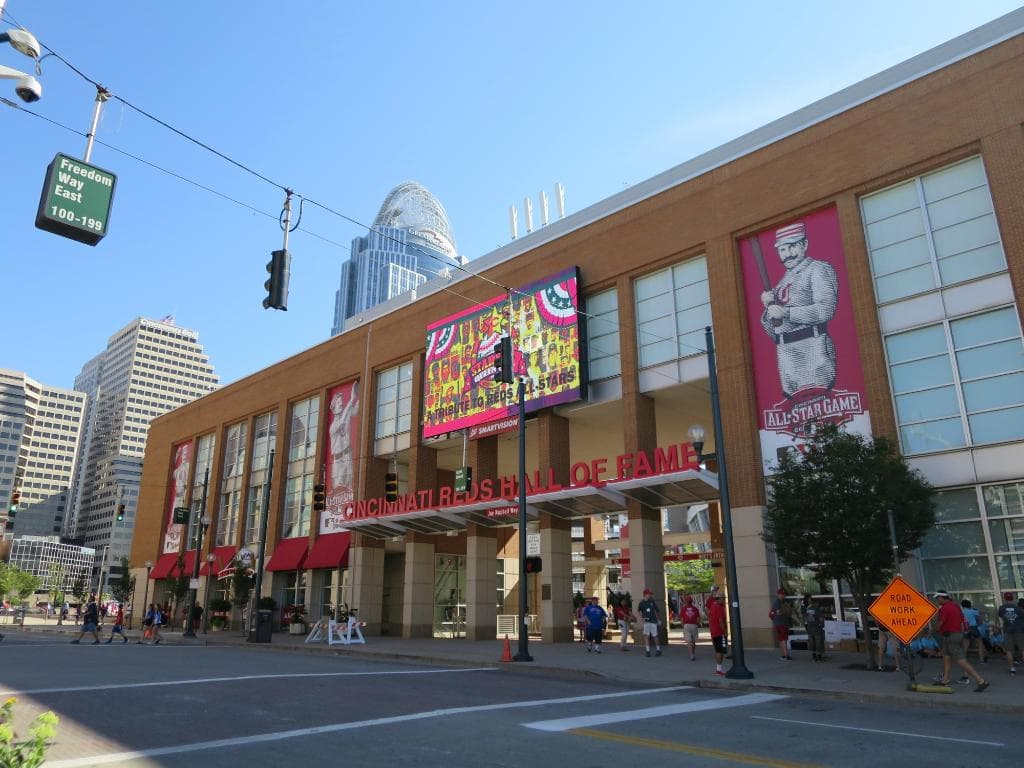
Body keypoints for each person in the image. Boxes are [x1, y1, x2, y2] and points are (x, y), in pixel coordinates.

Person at [759, 221, 839, 399]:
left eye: (792, 246)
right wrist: (768, 310)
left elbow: (825, 310)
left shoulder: (818, 269)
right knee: (795, 411)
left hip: (813, 350)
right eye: (782, 250)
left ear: (805, 244)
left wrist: (786, 312)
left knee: (821, 409)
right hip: (787, 357)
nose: (787, 255)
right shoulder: (781, 283)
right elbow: (773, 332)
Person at [932, 590, 987, 691]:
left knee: (961, 660)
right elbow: (962, 621)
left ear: (943, 597)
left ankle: (980, 680)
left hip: (950, 635)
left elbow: (940, 623)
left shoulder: (945, 608)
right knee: (947, 657)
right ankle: (945, 679)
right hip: (955, 634)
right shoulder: (956, 606)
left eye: (938, 598)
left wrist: (933, 630)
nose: (937, 600)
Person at [328, 385, 359, 490]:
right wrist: (351, 399)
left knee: (351, 488)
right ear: (333, 408)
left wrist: (361, 393)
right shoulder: (333, 426)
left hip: (348, 456)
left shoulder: (347, 413)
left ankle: (351, 507)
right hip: (338, 461)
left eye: (341, 401)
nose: (341, 403)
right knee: (339, 490)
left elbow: (357, 410)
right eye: (338, 402)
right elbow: (342, 422)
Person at [997, 591, 1022, 674]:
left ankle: (1012, 669)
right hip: (1019, 630)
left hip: (1008, 630)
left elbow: (1000, 616)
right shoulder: (1018, 608)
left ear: (1004, 598)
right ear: (1012, 598)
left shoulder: (1002, 608)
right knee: (1023, 649)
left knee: (1009, 650)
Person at [636, 588, 662, 658]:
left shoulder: (652, 601)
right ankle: (648, 651)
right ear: (645, 594)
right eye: (649, 594)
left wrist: (658, 620)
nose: (650, 595)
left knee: (655, 636)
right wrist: (642, 618)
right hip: (646, 622)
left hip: (653, 621)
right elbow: (638, 611)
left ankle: (658, 650)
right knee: (646, 636)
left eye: (650, 594)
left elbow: (657, 610)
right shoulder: (641, 603)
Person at [708, 591, 728, 676]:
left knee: (717, 650)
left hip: (713, 631)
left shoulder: (712, 606)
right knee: (720, 651)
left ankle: (718, 669)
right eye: (723, 598)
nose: (724, 600)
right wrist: (725, 632)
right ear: (719, 598)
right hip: (719, 632)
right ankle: (719, 670)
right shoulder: (719, 607)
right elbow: (721, 621)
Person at [960, 599, 985, 665]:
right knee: (980, 643)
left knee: (965, 645)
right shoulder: (973, 611)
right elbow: (980, 616)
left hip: (966, 628)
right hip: (973, 627)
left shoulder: (961, 612)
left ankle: (964, 660)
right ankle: (981, 660)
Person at [771, 588, 793, 660]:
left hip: (779, 623)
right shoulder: (778, 602)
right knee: (784, 639)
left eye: (783, 594)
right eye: (781, 594)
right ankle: (785, 655)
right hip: (781, 623)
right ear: (778, 594)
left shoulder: (781, 602)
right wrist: (786, 611)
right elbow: (778, 612)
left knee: (781, 639)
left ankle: (783, 655)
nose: (782, 596)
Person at [803, 595, 826, 663]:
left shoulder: (807, 609)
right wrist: (822, 625)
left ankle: (813, 656)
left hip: (809, 627)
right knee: (818, 641)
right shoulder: (817, 609)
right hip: (816, 627)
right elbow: (821, 619)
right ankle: (819, 656)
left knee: (812, 642)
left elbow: (805, 618)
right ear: (816, 602)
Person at [680, 595, 702, 661]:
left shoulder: (683, 609)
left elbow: (682, 618)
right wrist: (697, 624)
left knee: (689, 641)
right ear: (692, 601)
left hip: (686, 625)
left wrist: (682, 625)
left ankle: (691, 655)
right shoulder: (695, 609)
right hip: (694, 625)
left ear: (686, 602)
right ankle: (693, 653)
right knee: (693, 641)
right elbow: (698, 618)